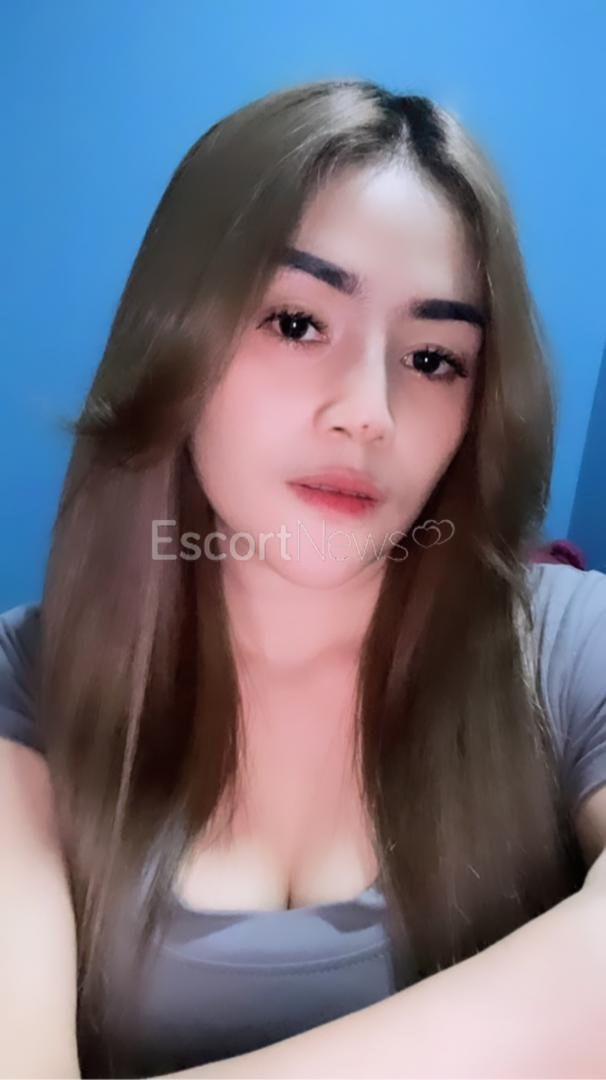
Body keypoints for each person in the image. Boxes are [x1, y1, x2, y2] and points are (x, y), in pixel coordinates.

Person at [1, 77, 605, 1080]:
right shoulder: (28, 684)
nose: (368, 410)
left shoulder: (567, 643)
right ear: (176, 338)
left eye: (433, 357)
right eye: (295, 323)